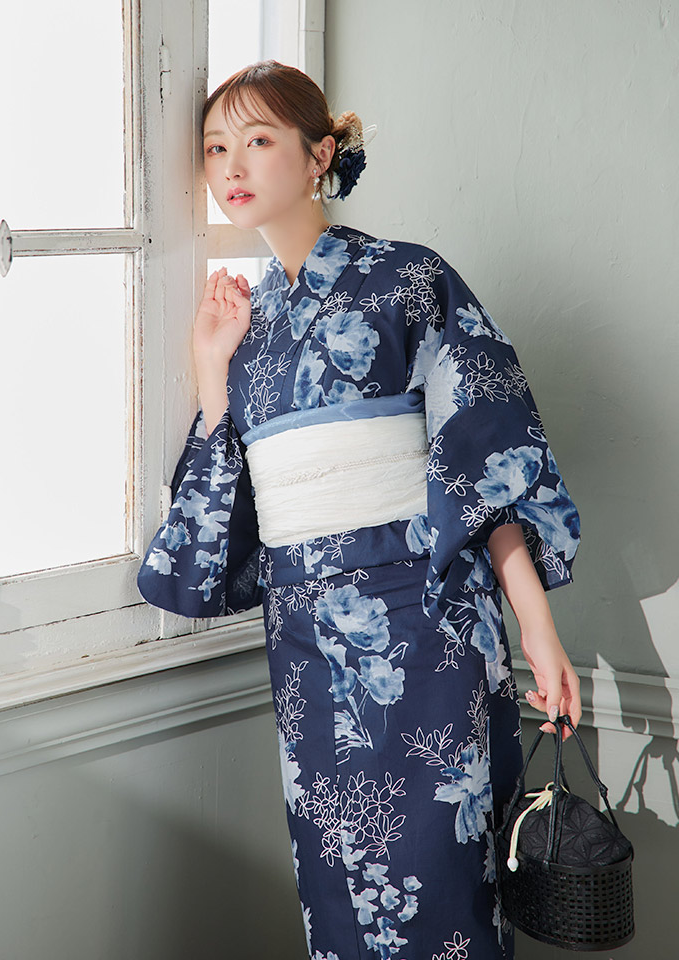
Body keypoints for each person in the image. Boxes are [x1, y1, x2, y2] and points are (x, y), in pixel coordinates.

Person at [137, 59, 582, 960]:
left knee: (444, 893)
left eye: (258, 140)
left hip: (427, 625)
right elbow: (222, 521)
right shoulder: (247, 327)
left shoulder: (409, 279)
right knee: (335, 897)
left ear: (319, 154)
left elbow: (480, 463)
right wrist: (212, 372)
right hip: (304, 642)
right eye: (216, 148)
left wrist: (537, 626)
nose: (232, 165)